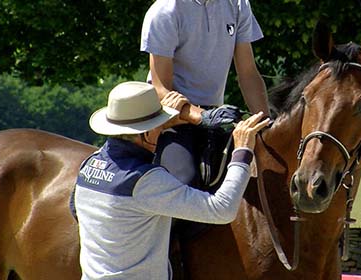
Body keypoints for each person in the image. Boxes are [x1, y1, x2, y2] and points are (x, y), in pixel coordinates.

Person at [74, 81, 270, 280]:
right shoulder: (145, 180)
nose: (161, 131)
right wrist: (242, 150)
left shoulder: (89, 165)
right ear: (146, 133)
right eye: (158, 128)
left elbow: (75, 208)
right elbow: (222, 210)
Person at [140, 0, 270, 185]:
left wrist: (264, 122)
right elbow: (161, 91)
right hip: (174, 118)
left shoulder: (238, 4)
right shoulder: (164, 11)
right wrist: (204, 116)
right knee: (184, 182)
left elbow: (248, 74)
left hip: (217, 117)